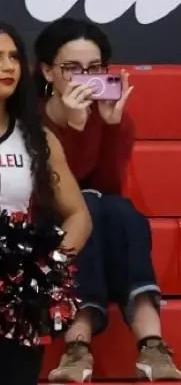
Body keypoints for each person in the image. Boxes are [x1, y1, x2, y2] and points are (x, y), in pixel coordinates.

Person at [35, 18, 181, 382]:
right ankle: (77, 343)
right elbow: (51, 188)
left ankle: (151, 344)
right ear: (47, 72)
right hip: (44, 217)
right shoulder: (29, 118)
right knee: (88, 206)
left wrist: (110, 127)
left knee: (118, 209)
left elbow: (108, 184)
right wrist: (74, 128)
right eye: (71, 68)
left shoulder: (113, 117)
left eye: (95, 68)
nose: (84, 78)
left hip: (98, 215)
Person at [0, 23, 90, 385]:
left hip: (13, 302)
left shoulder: (38, 139)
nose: (8, 66)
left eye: (13, 57)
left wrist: (47, 266)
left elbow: (79, 215)